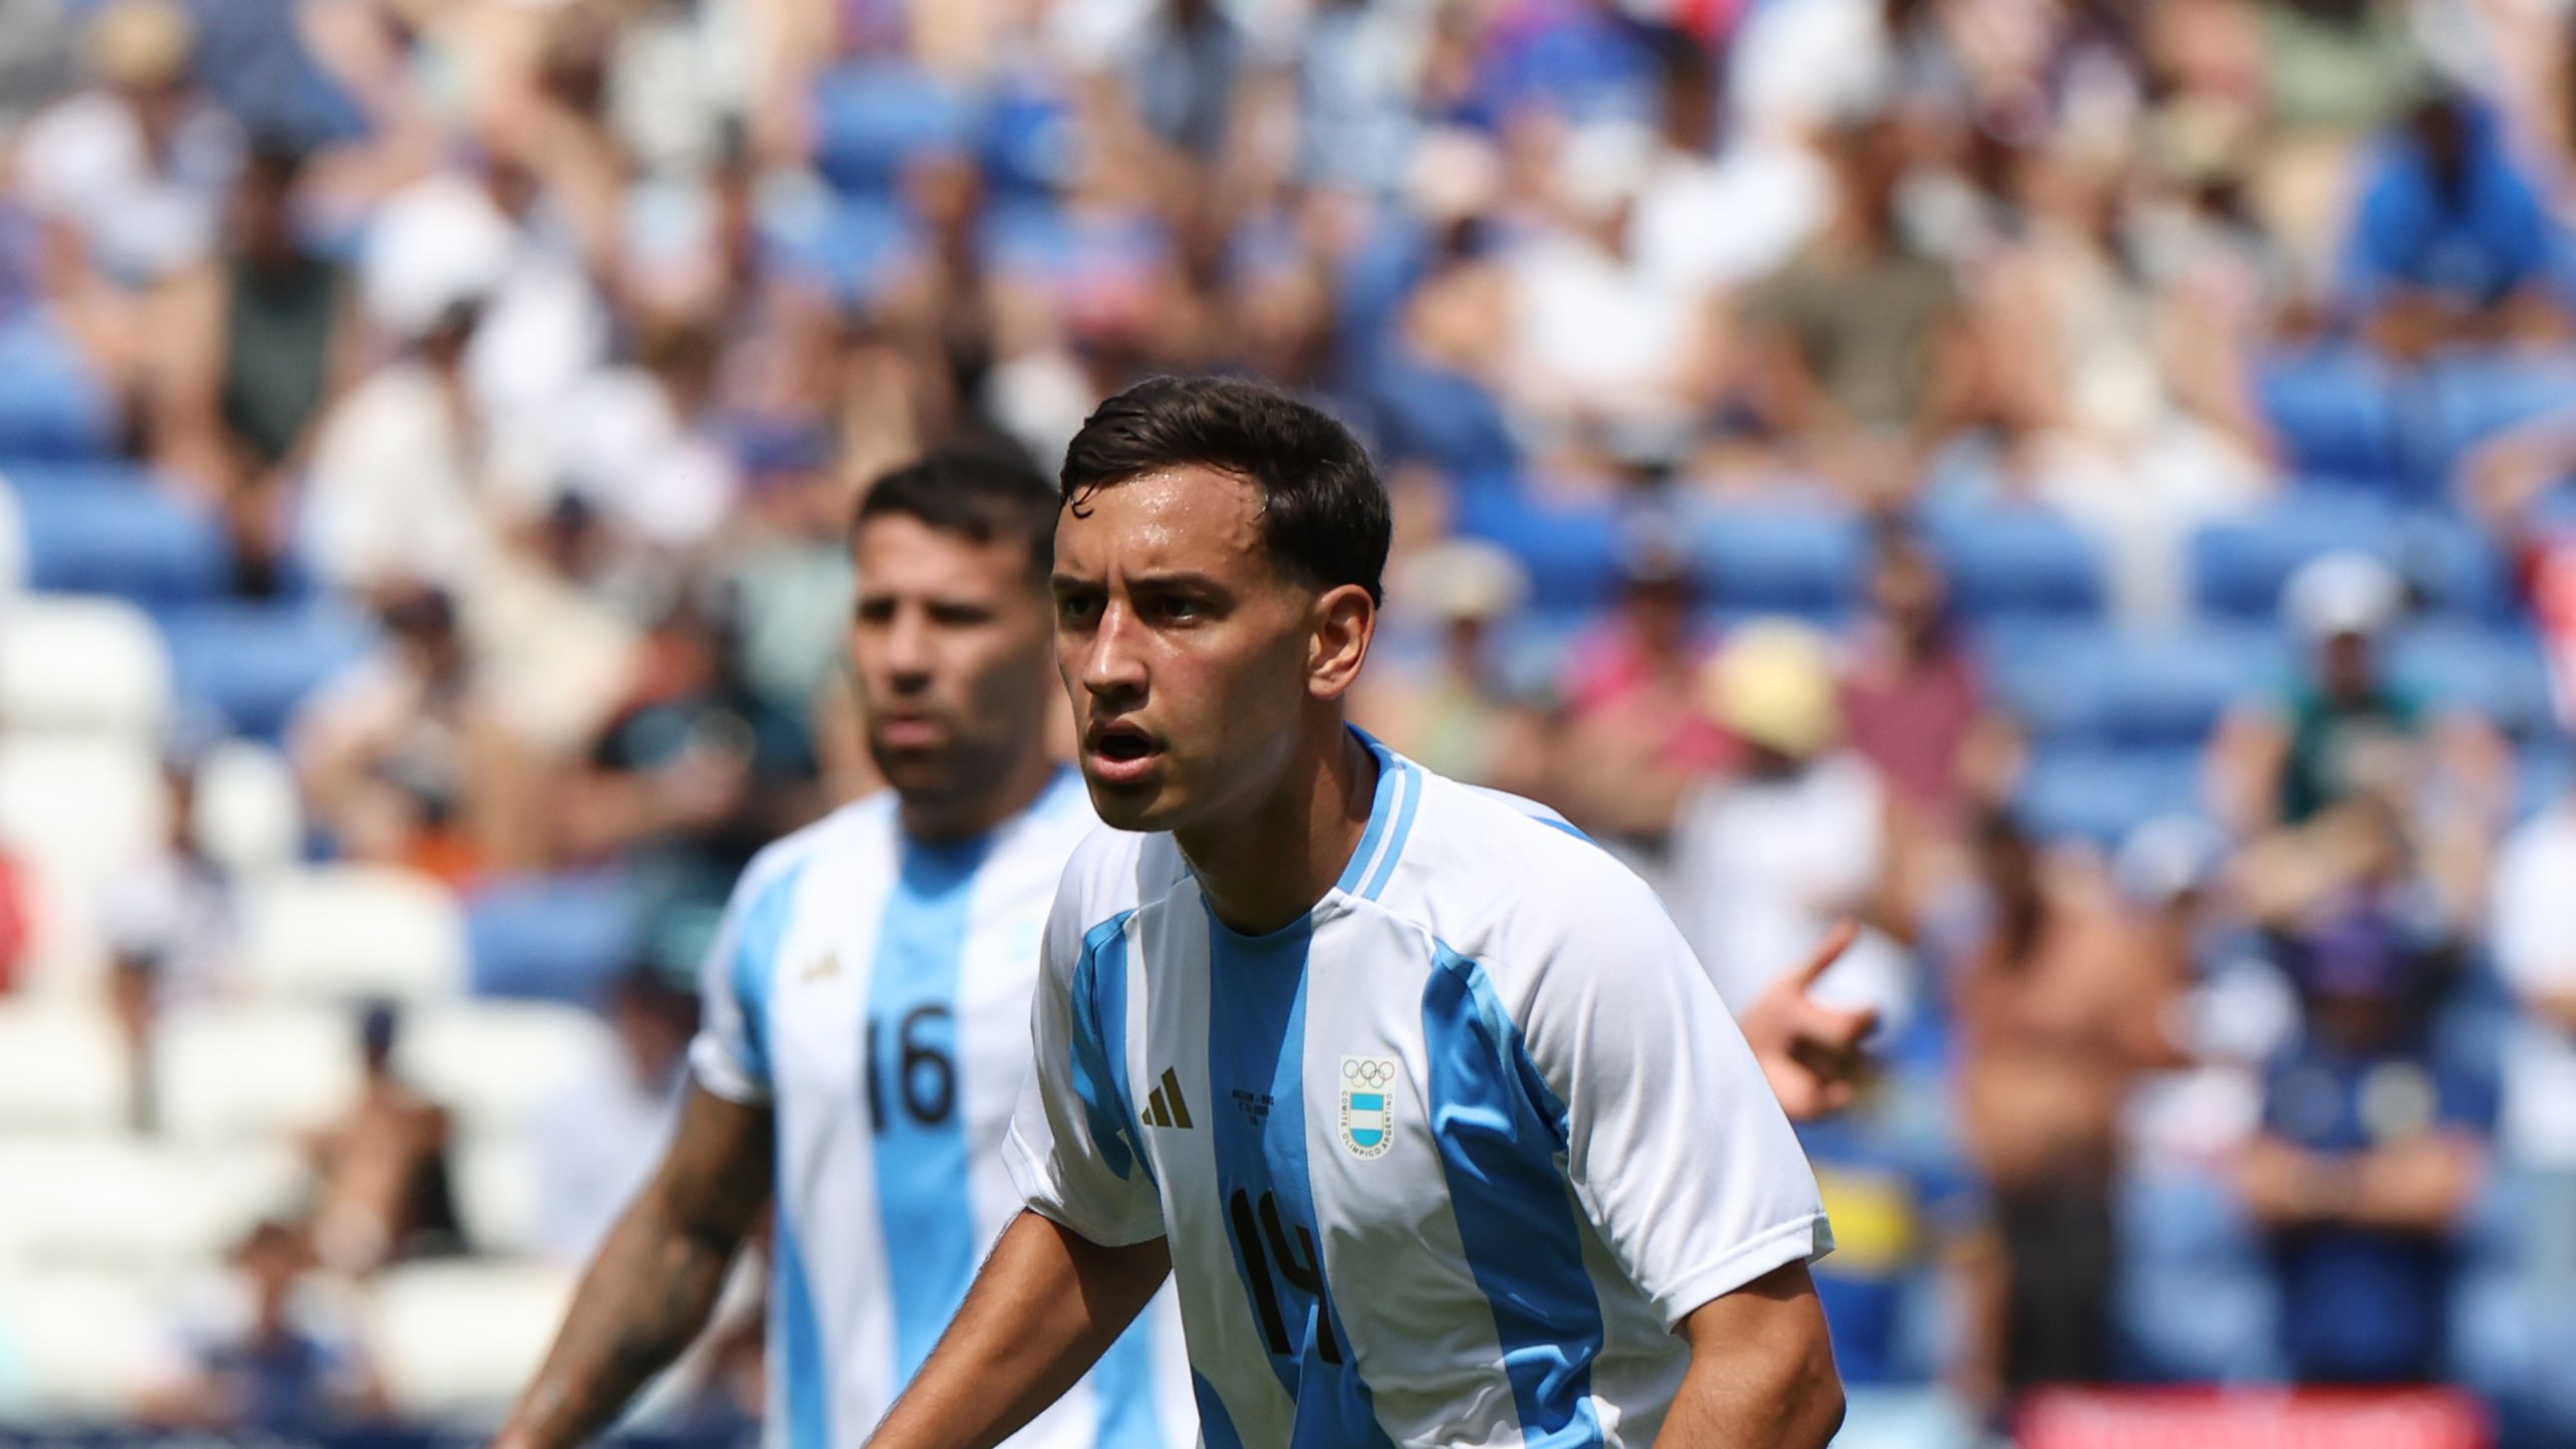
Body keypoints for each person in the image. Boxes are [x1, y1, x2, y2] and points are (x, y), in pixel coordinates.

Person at [871, 376, 1844, 1449]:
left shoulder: (1544, 922)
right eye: (1077, 608)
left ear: (1333, 640)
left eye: (1176, 608)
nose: (1105, 664)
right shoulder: (1108, 909)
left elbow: (1778, 1370)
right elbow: (1099, 1226)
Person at [491, 447, 1191, 1449]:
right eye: (878, 612)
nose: (905, 655)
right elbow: (689, 1224)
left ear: (1057, 640)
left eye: (954, 616)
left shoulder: (1148, 880)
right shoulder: (789, 895)